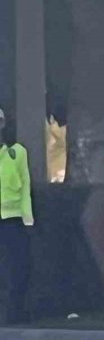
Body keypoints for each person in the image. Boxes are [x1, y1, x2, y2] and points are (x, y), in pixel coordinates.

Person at [0, 109, 34, 324]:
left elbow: (25, 190)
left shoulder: (17, 153)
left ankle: (15, 314)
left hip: (13, 220)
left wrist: (28, 221)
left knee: (18, 268)